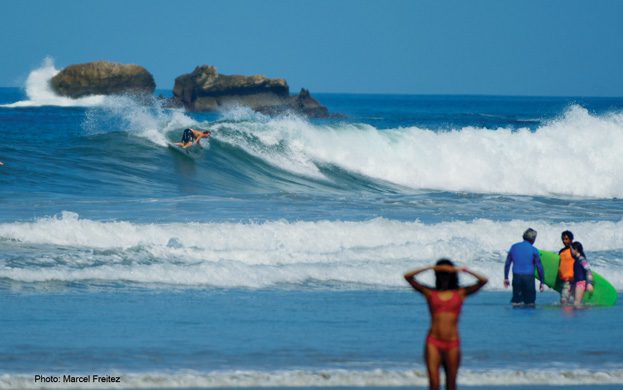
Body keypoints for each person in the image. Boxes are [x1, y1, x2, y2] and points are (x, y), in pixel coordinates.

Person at [404, 259, 488, 390]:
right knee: (434, 384)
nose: (444, 276)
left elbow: (483, 280)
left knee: (451, 384)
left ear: (451, 275)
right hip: (433, 342)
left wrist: (460, 270)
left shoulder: (460, 293)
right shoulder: (430, 293)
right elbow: (408, 277)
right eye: (441, 273)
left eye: (446, 273)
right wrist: (430, 267)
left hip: (452, 343)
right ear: (437, 275)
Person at [503, 228, 545, 306]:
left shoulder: (514, 247)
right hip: (528, 278)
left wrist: (506, 278)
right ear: (533, 239)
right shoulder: (534, 250)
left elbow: (507, 263)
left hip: (517, 277)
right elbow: (539, 267)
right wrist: (542, 282)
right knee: (530, 303)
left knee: (516, 302)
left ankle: (515, 316)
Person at [570, 241, 594, 307]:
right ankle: (580, 314)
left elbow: (588, 271)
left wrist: (590, 283)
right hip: (576, 283)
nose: (570, 251)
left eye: (571, 249)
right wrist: (572, 284)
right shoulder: (576, 260)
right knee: (573, 302)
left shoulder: (582, 259)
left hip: (581, 283)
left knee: (576, 303)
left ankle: (580, 316)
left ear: (576, 250)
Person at [558, 230, 575, 305]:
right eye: (563, 239)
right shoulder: (561, 251)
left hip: (572, 279)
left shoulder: (574, 250)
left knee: (564, 300)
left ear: (571, 239)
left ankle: (567, 315)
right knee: (569, 300)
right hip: (563, 279)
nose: (564, 241)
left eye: (566, 239)